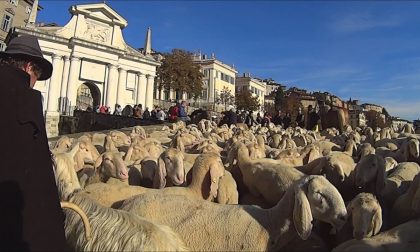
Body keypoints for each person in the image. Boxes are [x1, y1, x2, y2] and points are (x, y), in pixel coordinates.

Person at [0, 35, 68, 250]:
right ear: (29, 67)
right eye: (36, 76)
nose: (34, 83)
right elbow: (36, 177)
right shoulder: (25, 100)